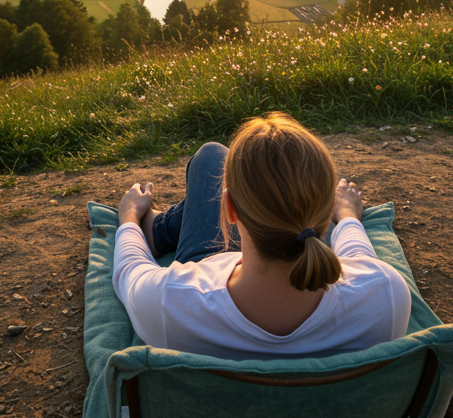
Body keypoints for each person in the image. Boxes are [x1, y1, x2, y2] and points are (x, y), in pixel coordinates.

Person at [113, 112, 411, 360]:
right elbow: (360, 259)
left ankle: (159, 228)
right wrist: (347, 216)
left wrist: (129, 216)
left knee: (212, 156)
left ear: (229, 208)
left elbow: (130, 270)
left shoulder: (170, 302)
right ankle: (163, 226)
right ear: (326, 212)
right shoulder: (386, 295)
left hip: (212, 264)